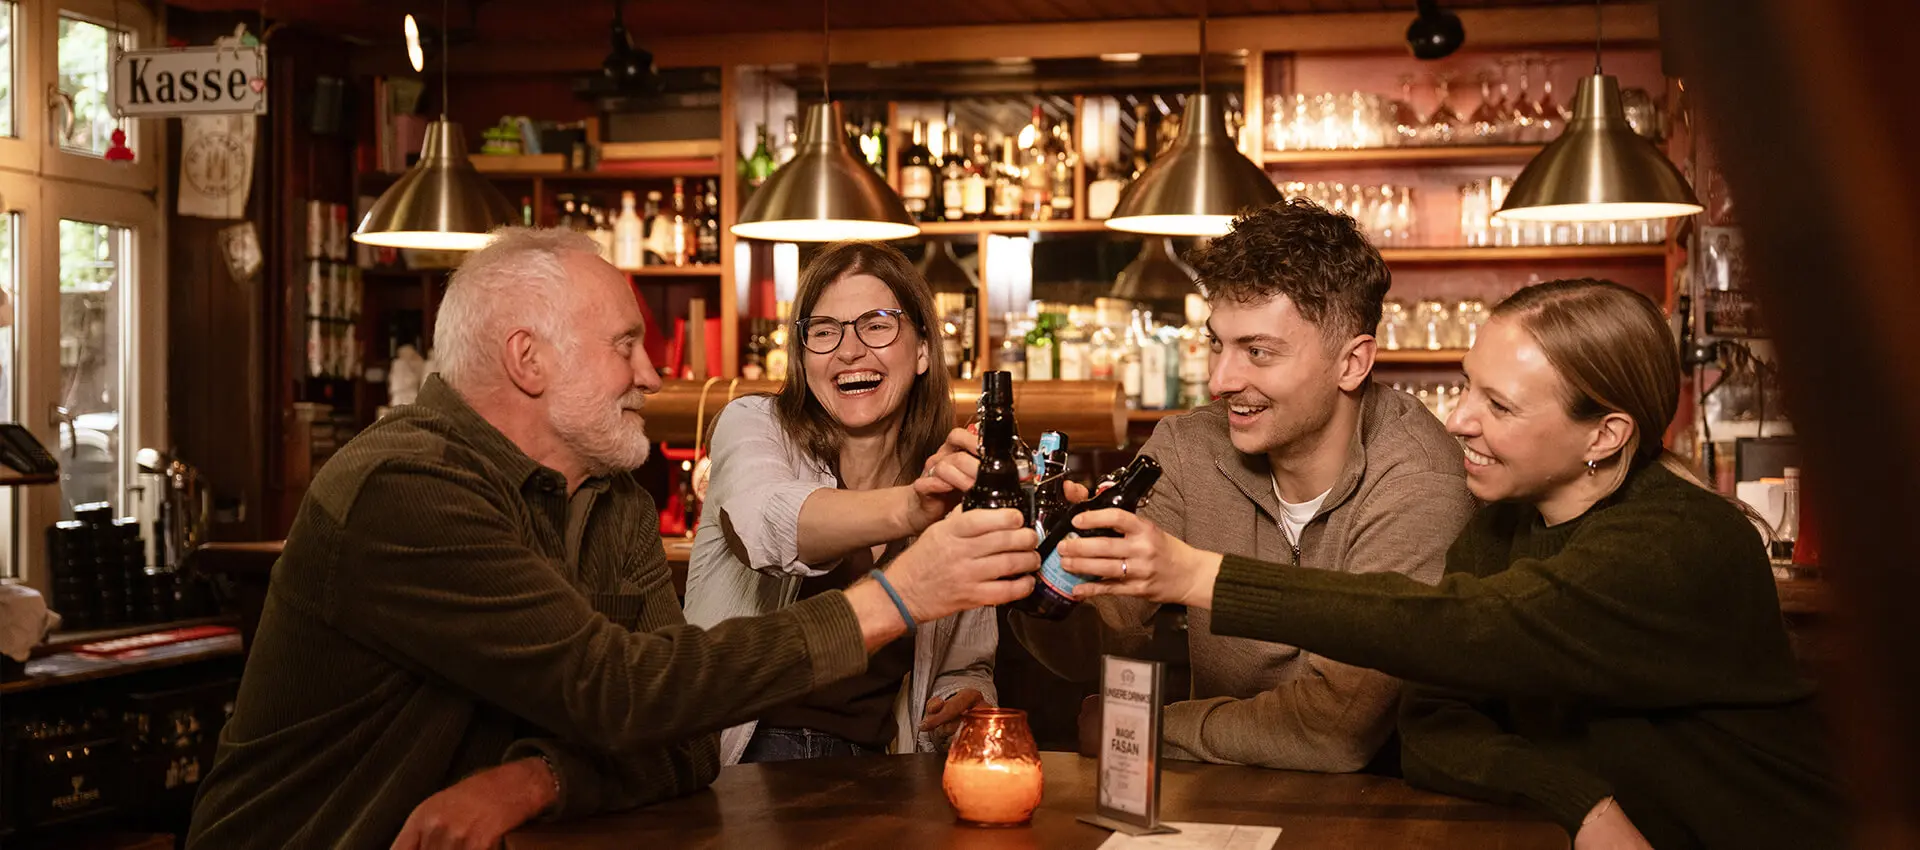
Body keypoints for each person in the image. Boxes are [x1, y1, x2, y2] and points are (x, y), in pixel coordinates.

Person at [186, 229, 1040, 850]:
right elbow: (620, 694)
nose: (653, 374)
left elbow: (677, 729)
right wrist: (895, 594)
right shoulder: (406, 488)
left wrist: (538, 779)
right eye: (626, 344)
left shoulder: (612, 497)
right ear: (530, 361)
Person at [1056, 278, 1844, 849]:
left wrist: (1199, 575)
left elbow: (1465, 629)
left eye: (1498, 406)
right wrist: (1581, 801)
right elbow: (1432, 722)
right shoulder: (1501, 527)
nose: (1458, 420)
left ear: (1604, 436)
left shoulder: (1682, 543)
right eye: (1469, 388)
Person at [1012, 199, 1475, 772]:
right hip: (1212, 803)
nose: (1220, 380)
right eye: (1216, 343)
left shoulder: (1418, 480)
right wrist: (1041, 575)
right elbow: (1107, 636)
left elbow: (1337, 732)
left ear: (1352, 363)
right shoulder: (1187, 448)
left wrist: (1142, 727)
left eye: (1257, 351)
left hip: (1379, 819)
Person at [685, 241, 996, 763]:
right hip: (739, 765)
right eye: (825, 331)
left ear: (922, 349)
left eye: (876, 325)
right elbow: (766, 525)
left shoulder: (951, 471)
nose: (849, 350)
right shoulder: (755, 426)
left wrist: (964, 701)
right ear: (804, 357)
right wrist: (913, 508)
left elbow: (967, 661)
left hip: (878, 770)